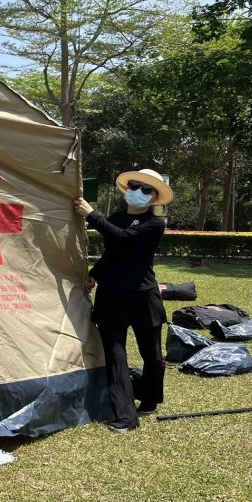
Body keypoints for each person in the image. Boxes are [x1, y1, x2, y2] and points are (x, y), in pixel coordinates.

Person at [73, 168, 173, 433]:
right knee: (116, 355)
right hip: (112, 295)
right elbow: (112, 253)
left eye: (146, 189)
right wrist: (95, 274)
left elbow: (124, 239)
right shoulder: (117, 217)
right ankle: (125, 416)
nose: (138, 192)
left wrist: (92, 215)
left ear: (154, 197)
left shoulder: (155, 224)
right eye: (134, 186)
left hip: (143, 296)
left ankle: (150, 399)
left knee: (152, 356)